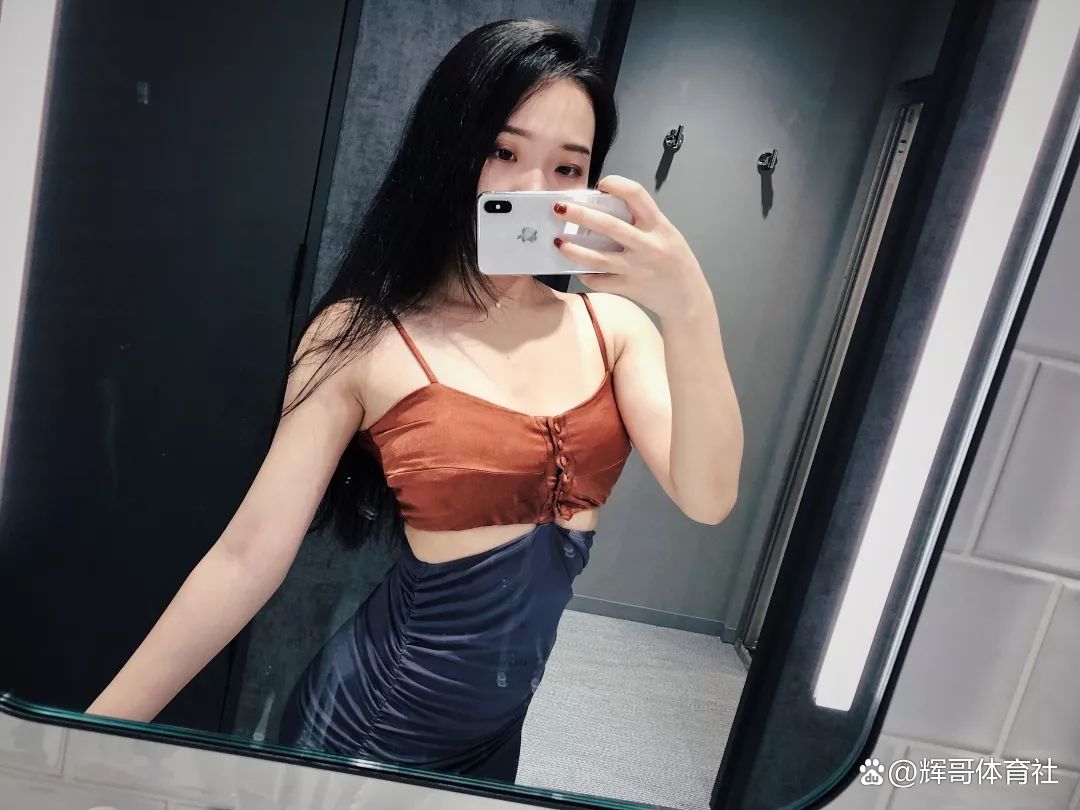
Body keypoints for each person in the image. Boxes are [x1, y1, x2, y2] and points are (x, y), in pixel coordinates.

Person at [86, 18, 743, 784]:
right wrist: (88, 736)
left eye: (568, 167)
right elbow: (246, 557)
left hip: (496, 738)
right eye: (502, 151)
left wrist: (691, 307)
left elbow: (707, 496)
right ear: (450, 150)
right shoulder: (364, 337)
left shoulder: (615, 330)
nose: (534, 190)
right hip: (366, 734)